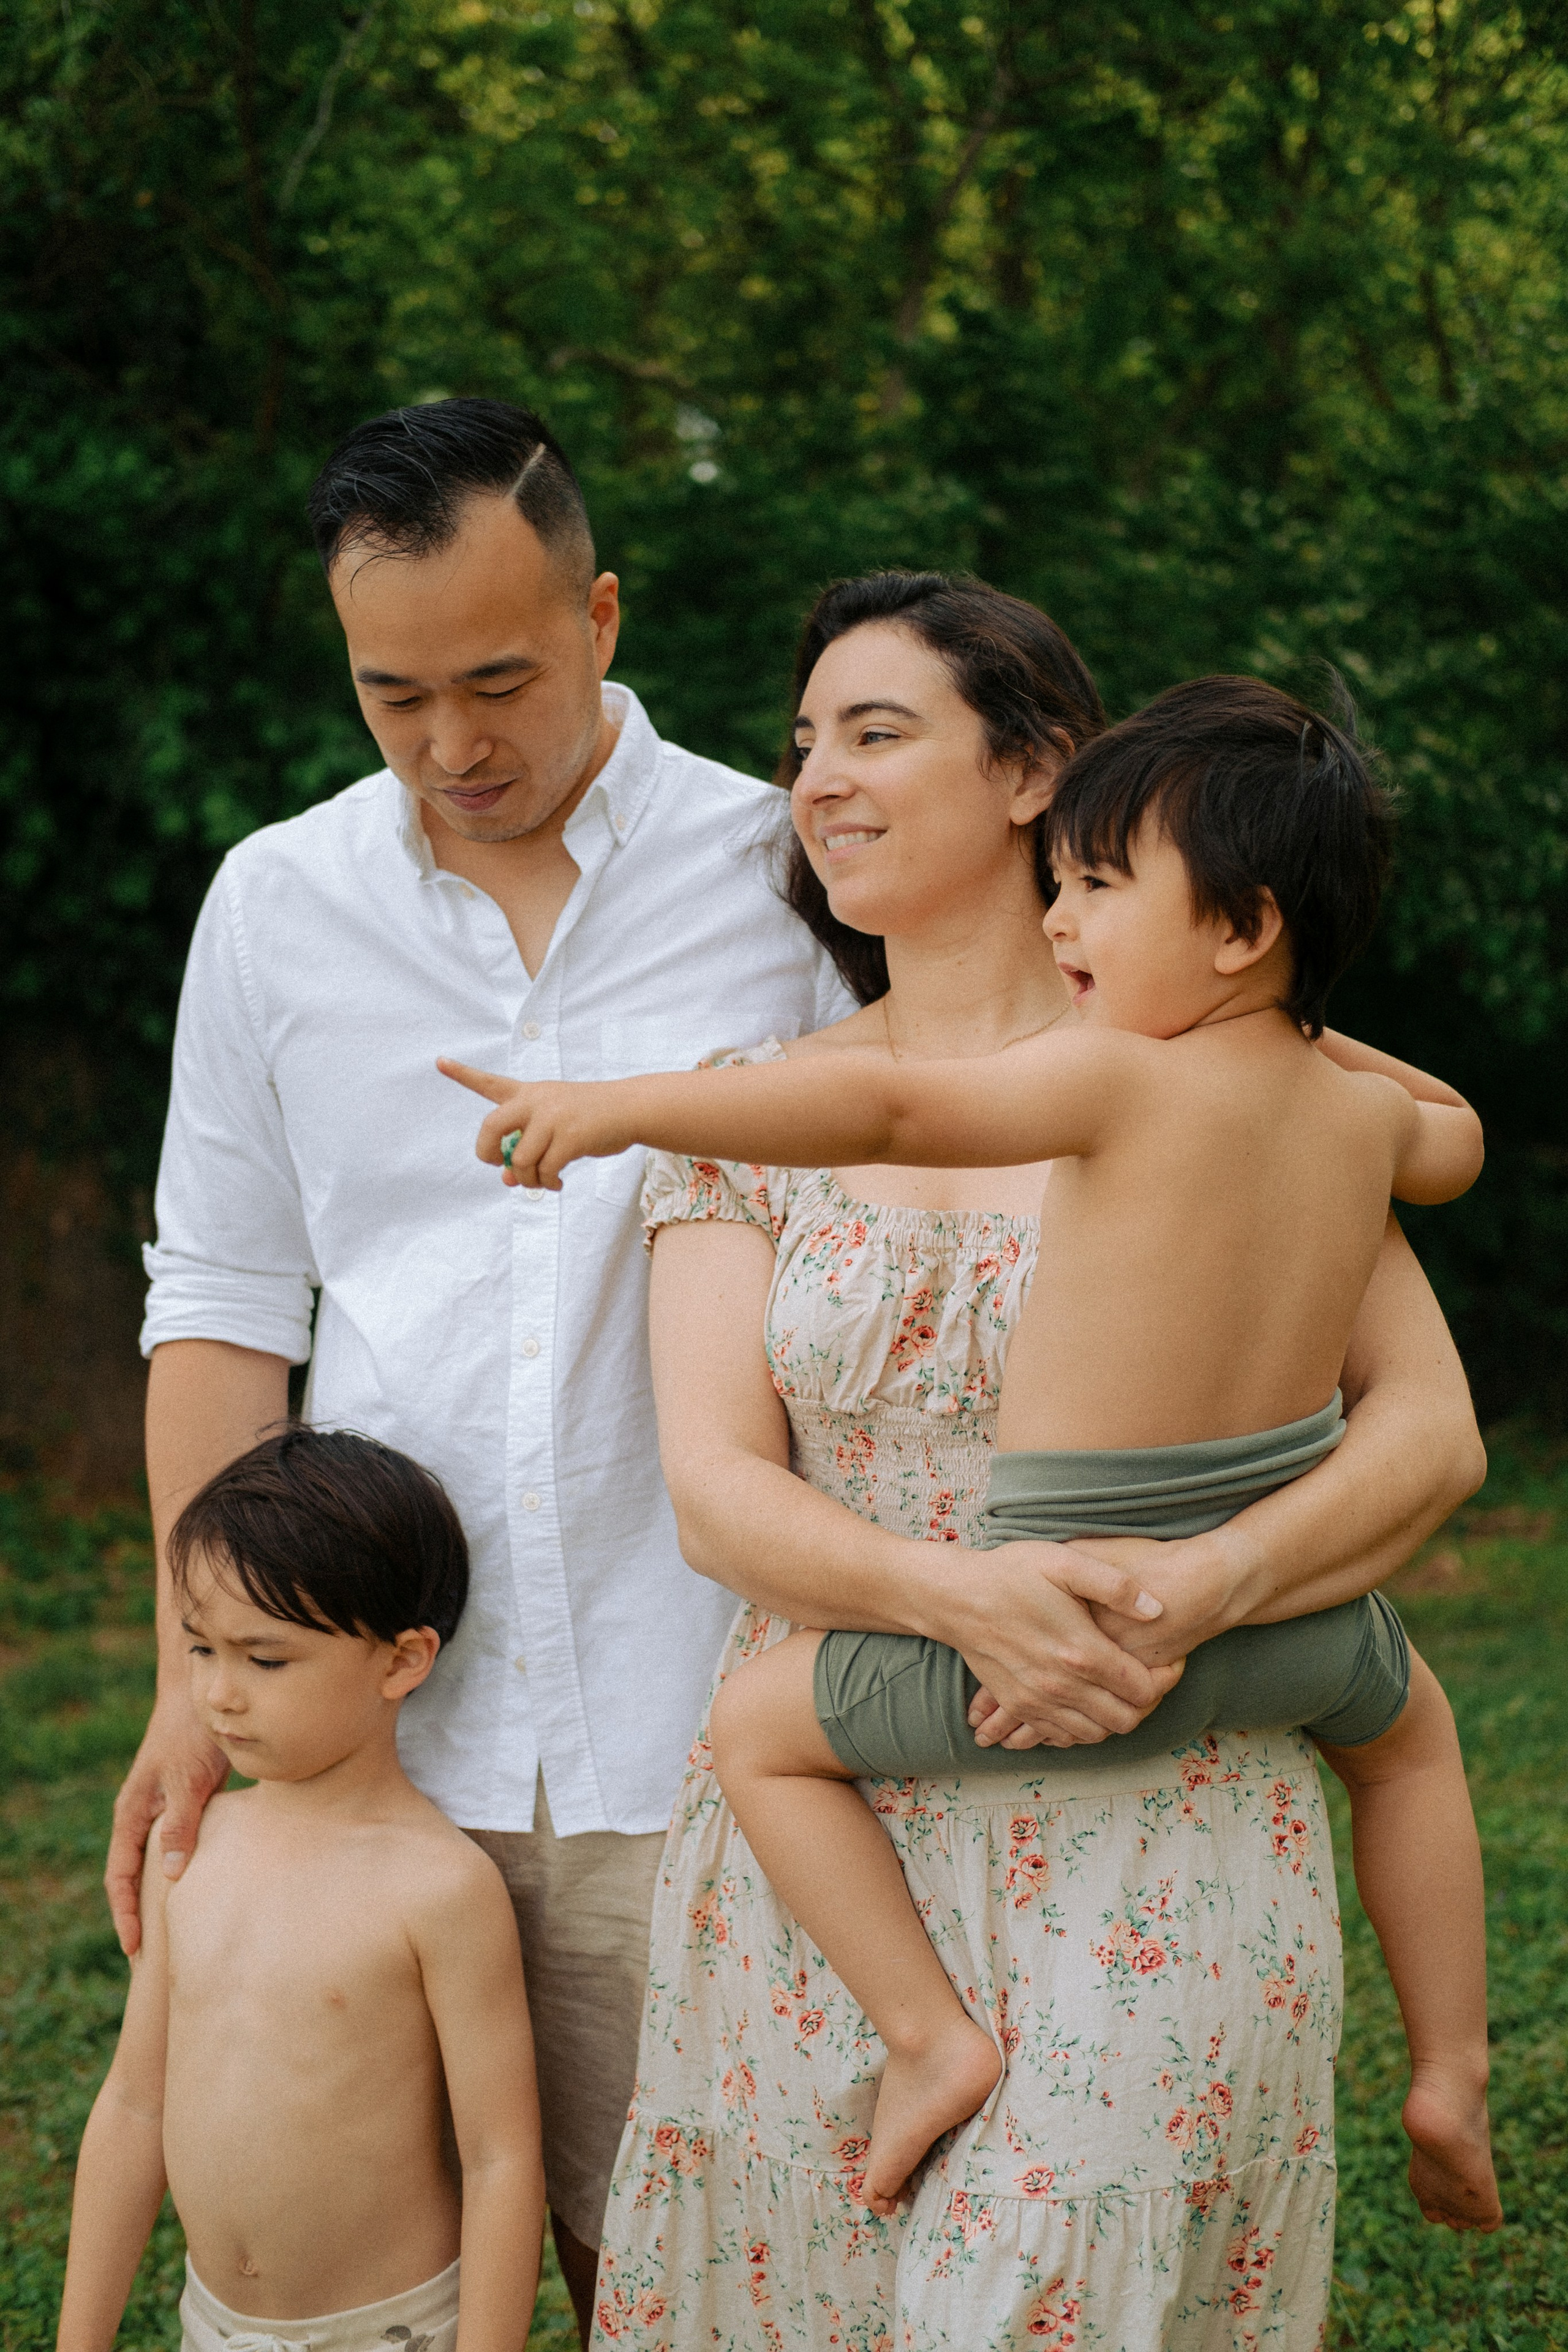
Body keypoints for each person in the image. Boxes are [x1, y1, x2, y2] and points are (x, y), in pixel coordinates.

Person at [452, 574, 1491, 2351]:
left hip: (1157, 1809)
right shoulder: (761, 1110)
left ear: (1040, 773)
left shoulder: (1192, 1082)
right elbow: (720, 1495)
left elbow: (1432, 1435)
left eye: (876, 731)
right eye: (802, 745)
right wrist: (972, 1600)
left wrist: (1201, 1588)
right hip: (844, 1827)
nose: (820, 780)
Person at [116, 397, 851, 2343]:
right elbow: (220, 1299)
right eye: (394, 696)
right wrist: (205, 1672)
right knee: (373, 2258)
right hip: (372, 1739)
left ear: (603, 615)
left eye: (502, 681)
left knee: (674, 2263)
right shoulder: (276, 905)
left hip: (703, 1714)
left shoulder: (788, 869)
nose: (455, 748)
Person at [57, 1427, 544, 2352]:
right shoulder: (186, 1850)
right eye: (200, 1650)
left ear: (402, 1660)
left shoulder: (441, 1888)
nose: (218, 1696)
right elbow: (133, 2105)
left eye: (264, 1660)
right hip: (213, 2324)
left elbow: (501, 2158)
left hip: (387, 2333)